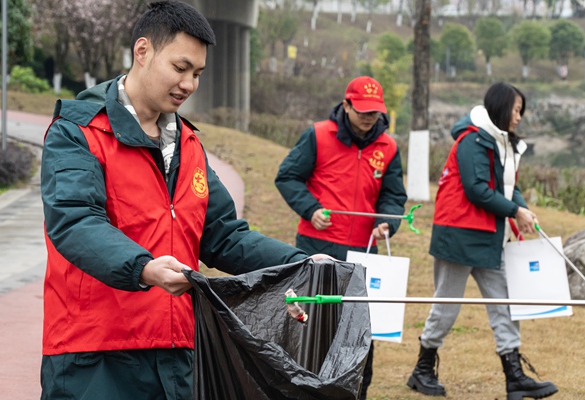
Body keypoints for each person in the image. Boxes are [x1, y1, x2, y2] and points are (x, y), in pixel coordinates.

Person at [39, 2, 327, 399]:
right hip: (95, 356)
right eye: (180, 68)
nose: (189, 84)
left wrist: (301, 263)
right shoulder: (77, 133)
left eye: (197, 74)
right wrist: (144, 268)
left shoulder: (189, 145)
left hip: (178, 354)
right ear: (143, 51)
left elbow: (224, 236)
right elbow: (74, 223)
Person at [406, 82, 558, 399]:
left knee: (505, 305)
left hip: (490, 237)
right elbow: (477, 189)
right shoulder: (471, 140)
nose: (519, 117)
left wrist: (522, 208)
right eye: (516, 110)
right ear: (501, 108)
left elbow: (504, 185)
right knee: (446, 307)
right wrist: (515, 210)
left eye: (521, 111)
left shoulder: (502, 141)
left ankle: (514, 377)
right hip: (458, 236)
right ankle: (422, 370)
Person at [275, 75, 408, 400]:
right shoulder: (318, 136)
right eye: (362, 110)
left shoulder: (388, 147)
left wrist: (387, 223)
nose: (368, 117)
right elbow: (288, 176)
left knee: (359, 328)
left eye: (374, 111)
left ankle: (357, 391)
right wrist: (311, 209)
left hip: (364, 251)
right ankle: (304, 388)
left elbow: (393, 196)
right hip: (317, 248)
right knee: (311, 323)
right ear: (346, 105)